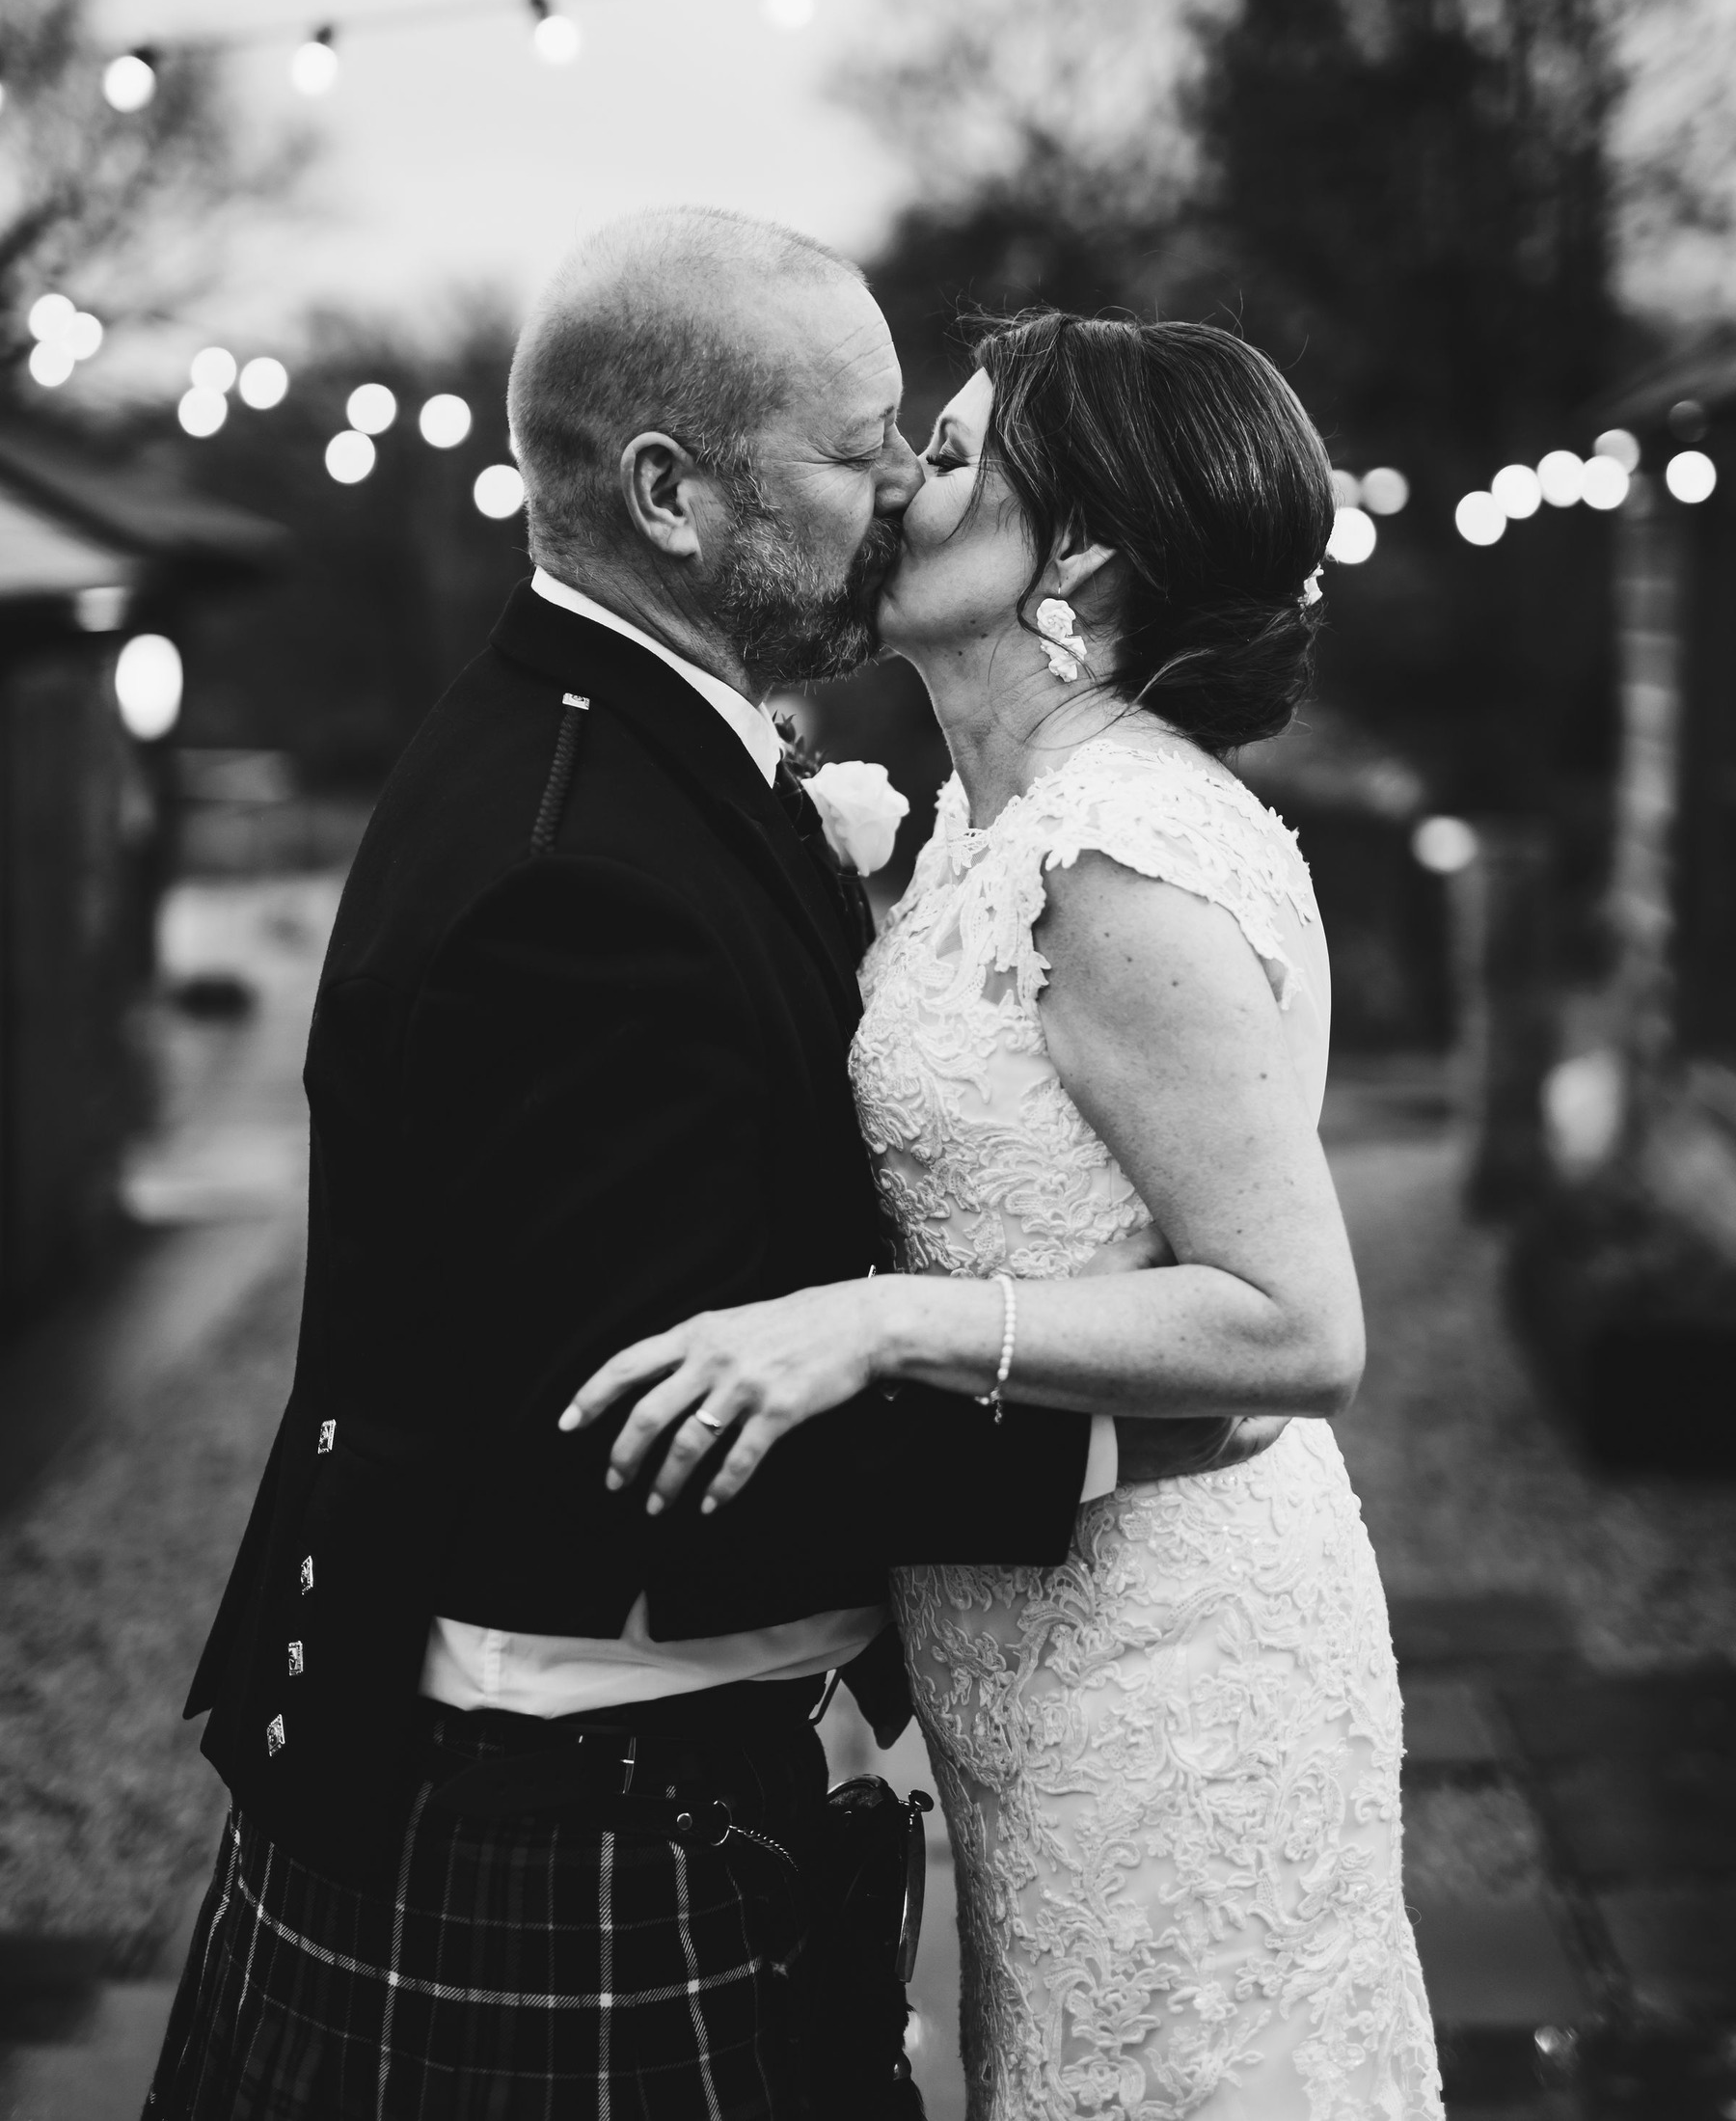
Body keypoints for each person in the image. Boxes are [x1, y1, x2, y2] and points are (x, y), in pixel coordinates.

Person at [145, 219, 1254, 2121]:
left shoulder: (627, 749)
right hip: (557, 1829)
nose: (906, 483)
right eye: (858, 445)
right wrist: (1134, 1441)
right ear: (671, 494)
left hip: (620, 1791)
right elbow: (655, 1444)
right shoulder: (579, 868)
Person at [570, 313, 1445, 2118]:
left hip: (1174, 1665)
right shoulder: (991, 830)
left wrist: (884, 1323)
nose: (899, 482)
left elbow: (1299, 1326)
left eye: (952, 456)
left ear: (1084, 559)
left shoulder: (1117, 862)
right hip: (1024, 1647)